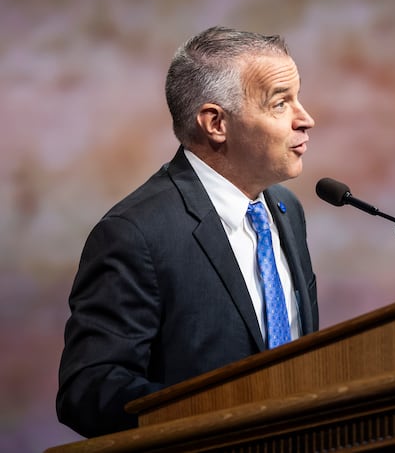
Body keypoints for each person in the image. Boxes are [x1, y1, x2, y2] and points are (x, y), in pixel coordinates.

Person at [56, 26, 319, 438]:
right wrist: (223, 417)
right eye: (281, 102)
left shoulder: (287, 211)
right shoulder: (136, 233)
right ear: (216, 123)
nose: (305, 120)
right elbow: (89, 388)